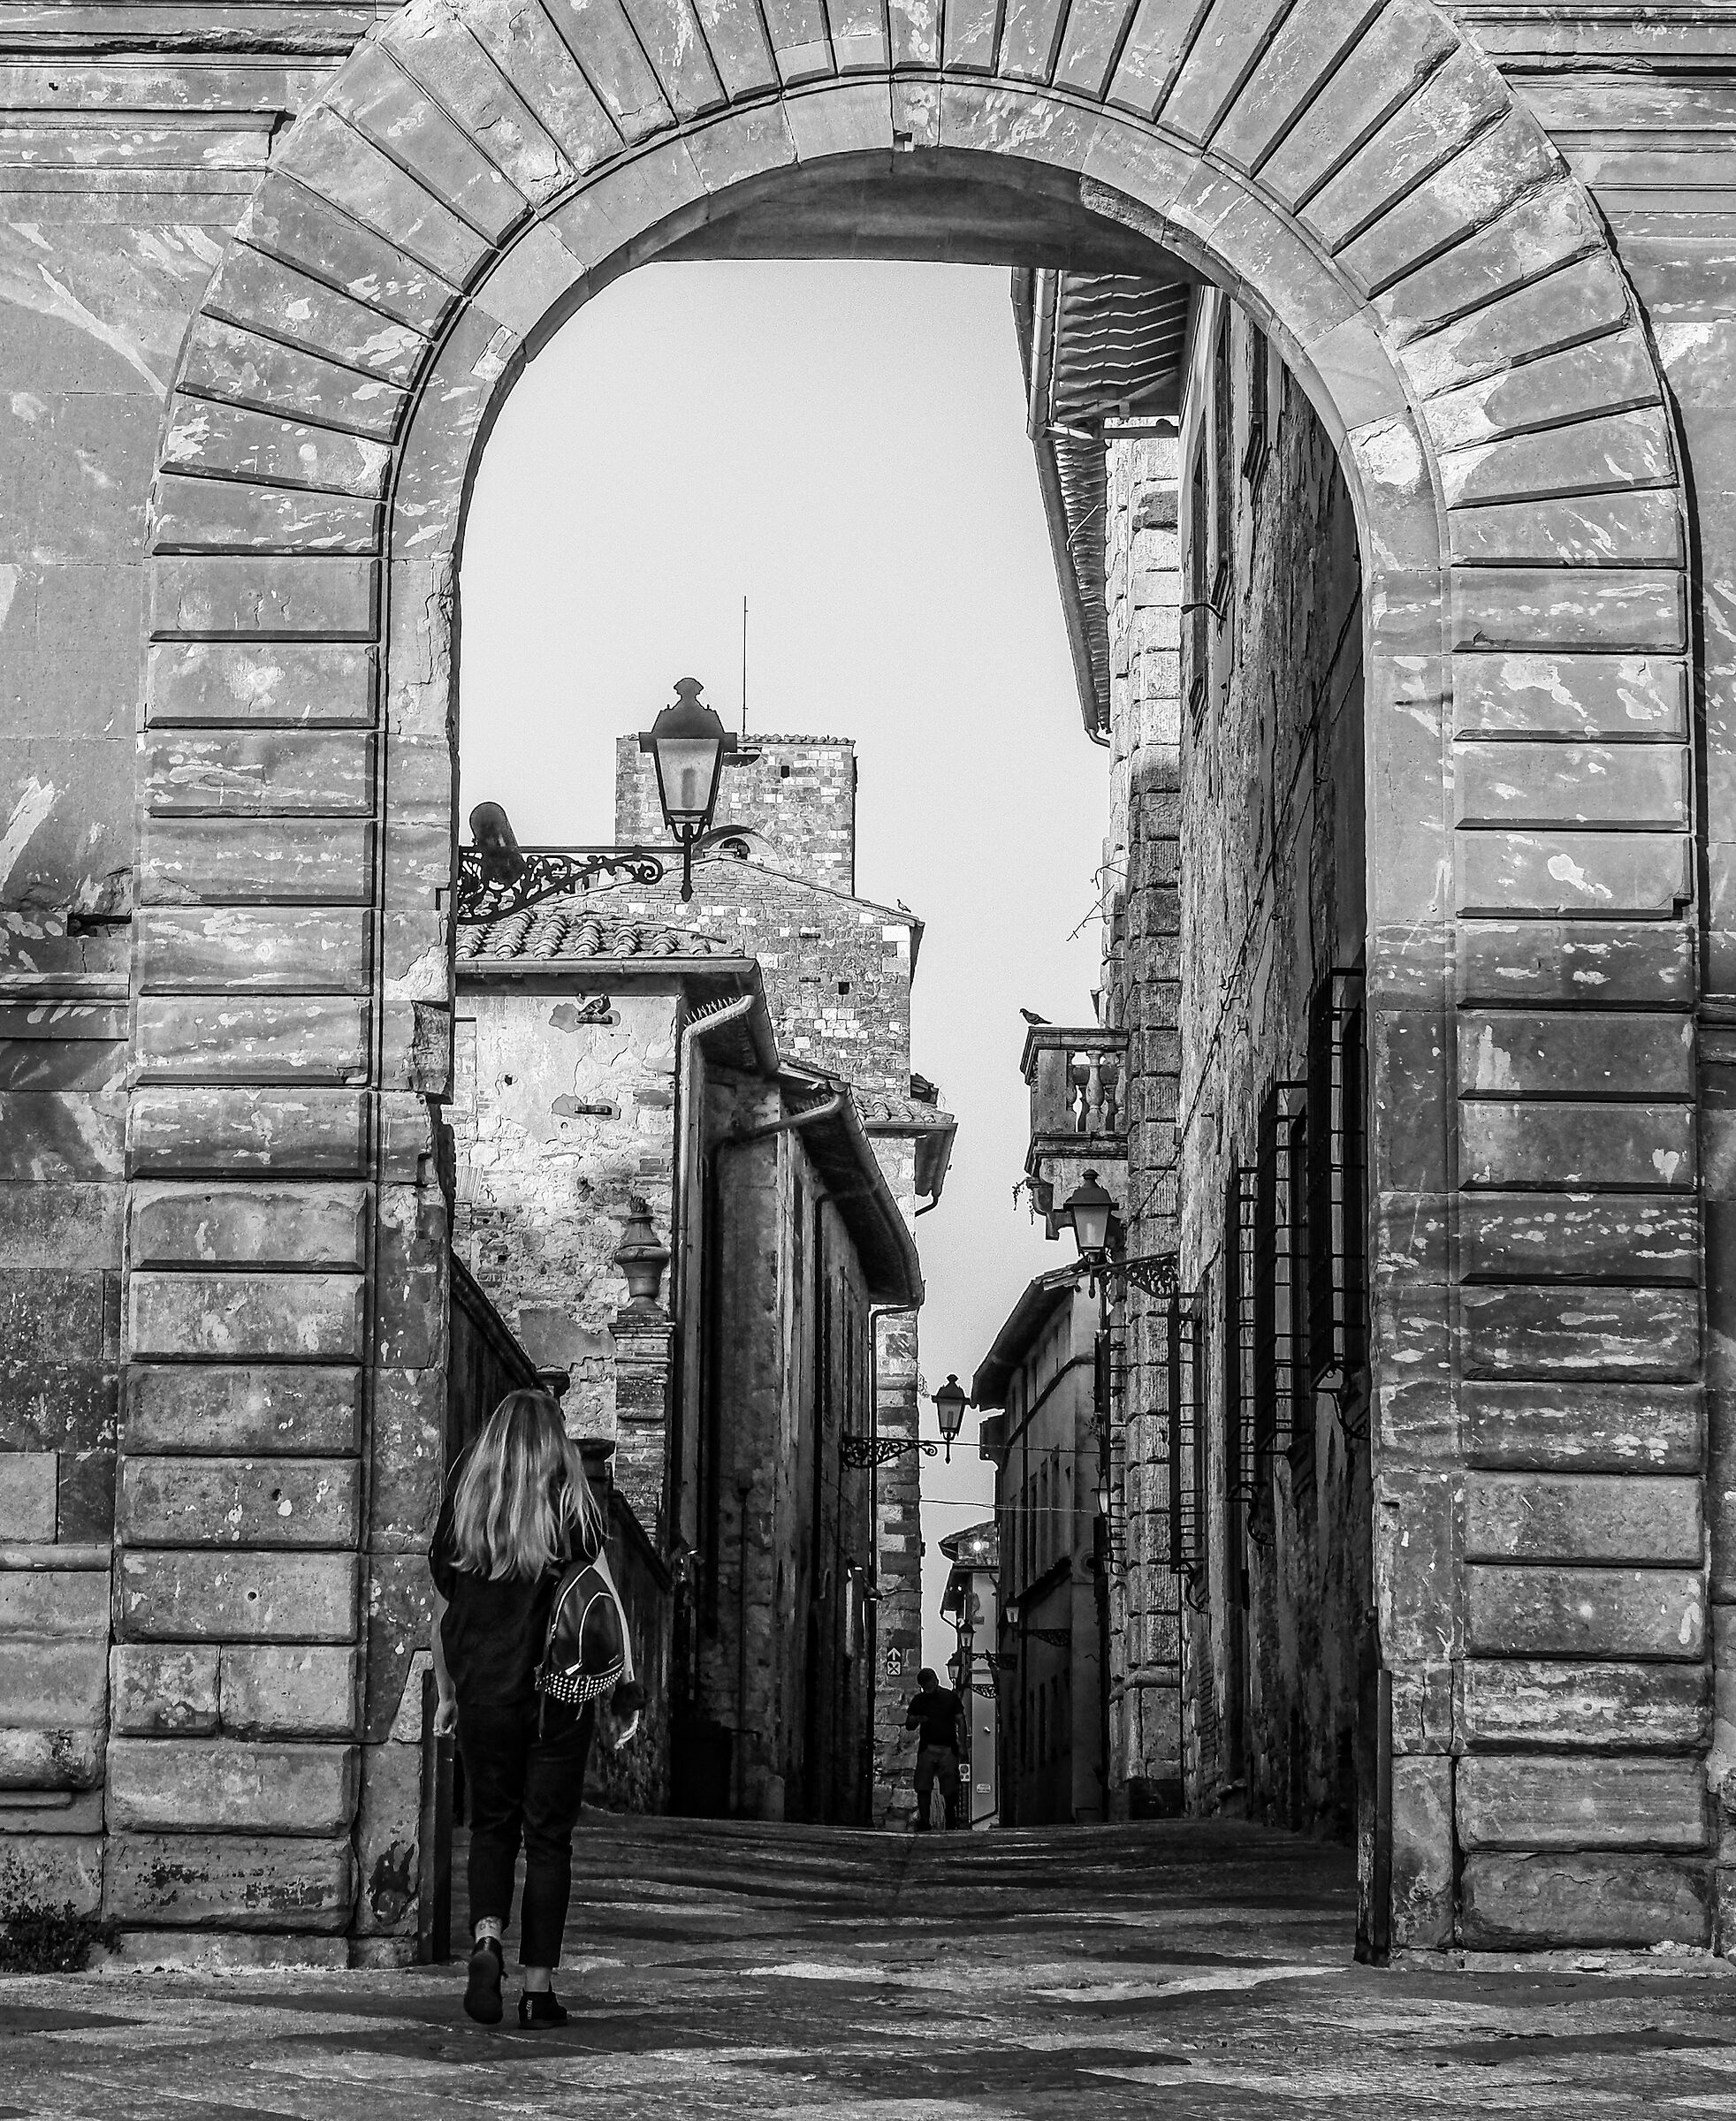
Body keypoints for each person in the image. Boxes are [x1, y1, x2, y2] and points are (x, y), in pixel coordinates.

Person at [430, 1388, 605, 2028]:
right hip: (557, 1699)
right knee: (550, 1841)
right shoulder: (573, 1506)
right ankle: (537, 1992)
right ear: (555, 1440)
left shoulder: (465, 1508)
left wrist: (449, 1695)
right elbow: (594, 1598)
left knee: (491, 1828)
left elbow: (444, 1613)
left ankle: (485, 1943)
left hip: (484, 1694)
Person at [904, 1668, 964, 1831]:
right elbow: (909, 1724)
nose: (929, 1688)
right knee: (923, 1787)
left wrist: (962, 1745)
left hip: (948, 1748)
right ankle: (925, 1821)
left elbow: (960, 1721)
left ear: (936, 1680)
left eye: (930, 1683)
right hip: (928, 1748)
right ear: (922, 1686)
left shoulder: (950, 1697)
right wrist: (917, 1718)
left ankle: (950, 1815)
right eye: (926, 1686)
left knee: (950, 1786)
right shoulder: (919, 1700)